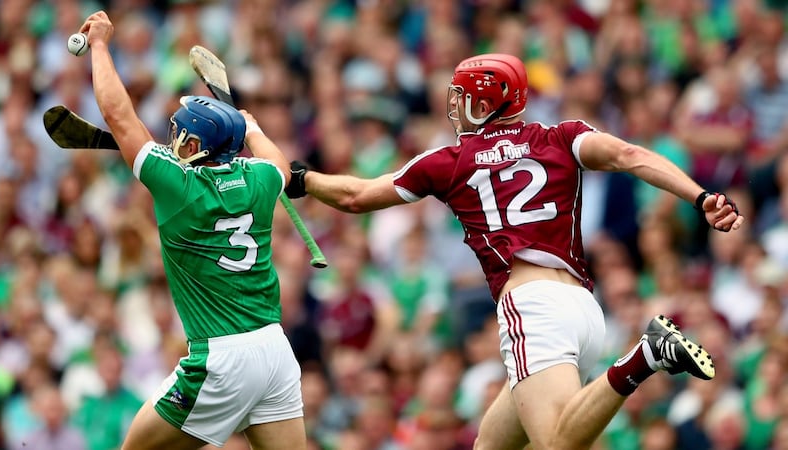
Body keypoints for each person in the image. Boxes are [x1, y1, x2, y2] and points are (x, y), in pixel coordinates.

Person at [285, 53, 745, 450]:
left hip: (531, 307)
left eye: (462, 98)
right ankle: (642, 356)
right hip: (583, 309)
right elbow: (628, 154)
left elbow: (355, 197)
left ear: (485, 104)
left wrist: (303, 179)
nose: (455, 108)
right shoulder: (562, 136)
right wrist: (701, 197)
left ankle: (647, 356)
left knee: (556, 443)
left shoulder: (449, 160)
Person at [78, 11, 306, 450]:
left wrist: (101, 46)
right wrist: (253, 127)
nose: (173, 137)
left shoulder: (178, 186)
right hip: (274, 351)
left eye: (179, 132)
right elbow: (280, 164)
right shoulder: (260, 179)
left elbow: (118, 115)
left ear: (197, 146)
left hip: (221, 359)